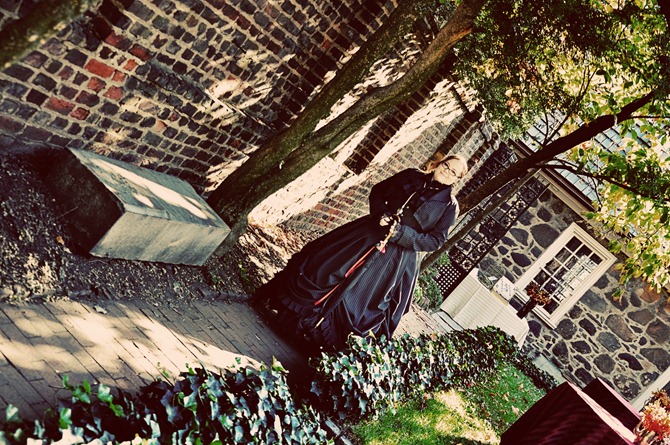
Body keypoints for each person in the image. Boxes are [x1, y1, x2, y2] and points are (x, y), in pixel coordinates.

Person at [253, 153, 469, 352]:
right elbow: (378, 191)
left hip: (395, 258)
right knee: (325, 266)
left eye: (453, 172)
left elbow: (435, 241)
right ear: (440, 163)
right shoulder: (411, 175)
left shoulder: (449, 207)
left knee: (360, 297)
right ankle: (291, 318)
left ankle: (317, 344)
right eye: (446, 166)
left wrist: (401, 234)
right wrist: (381, 214)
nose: (447, 172)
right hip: (367, 234)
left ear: (457, 179)